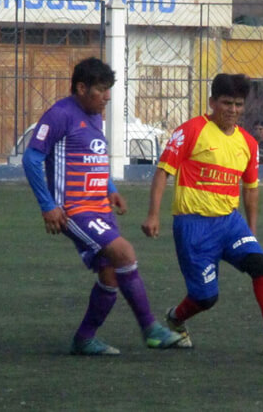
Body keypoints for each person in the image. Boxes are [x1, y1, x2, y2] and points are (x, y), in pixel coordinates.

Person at [22, 57, 184, 355]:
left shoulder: (95, 113)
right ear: (81, 88)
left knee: (110, 274)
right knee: (124, 252)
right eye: (101, 89)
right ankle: (151, 329)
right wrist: (48, 206)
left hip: (99, 207)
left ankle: (84, 338)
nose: (107, 96)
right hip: (73, 209)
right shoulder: (59, 115)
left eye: (108, 89)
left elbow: (93, 155)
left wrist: (110, 188)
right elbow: (31, 159)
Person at [142, 73, 263, 357]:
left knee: (260, 263)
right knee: (206, 297)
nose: (233, 110)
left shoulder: (248, 143)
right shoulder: (191, 130)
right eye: (227, 103)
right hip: (193, 226)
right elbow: (163, 172)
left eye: (239, 104)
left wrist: (250, 231)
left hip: (230, 223)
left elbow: (250, 191)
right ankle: (176, 317)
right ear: (212, 102)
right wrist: (154, 215)